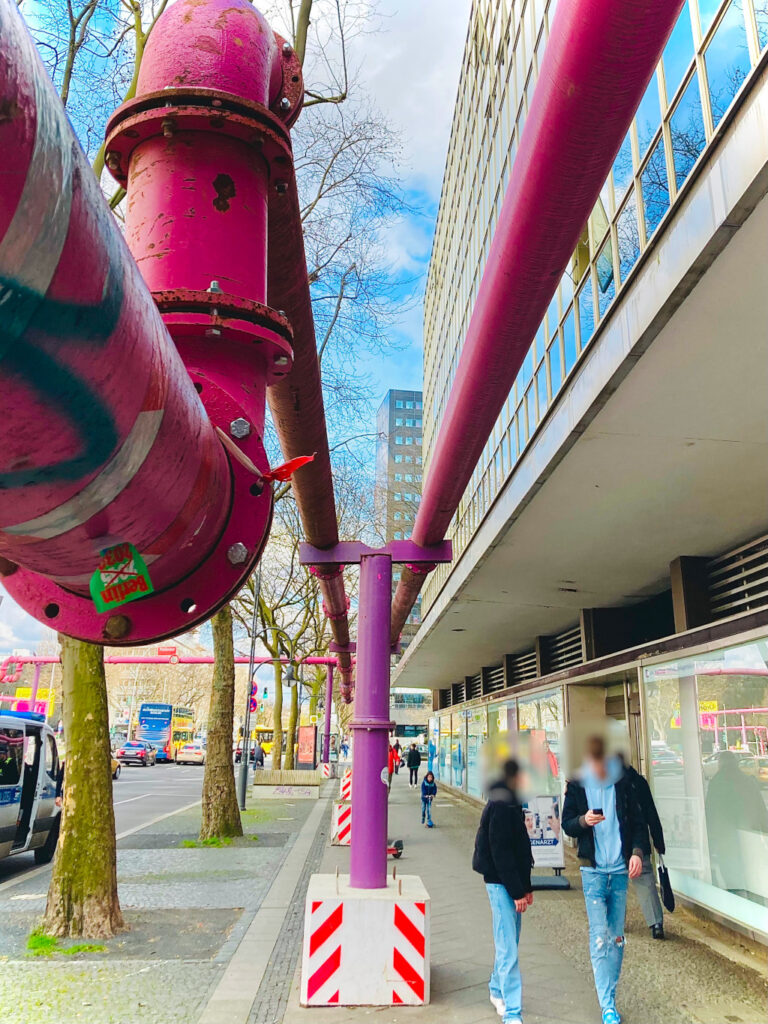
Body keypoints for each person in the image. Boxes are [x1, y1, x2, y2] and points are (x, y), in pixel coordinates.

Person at [563, 736, 647, 1024]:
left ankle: (609, 995)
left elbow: (637, 824)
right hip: (593, 872)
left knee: (617, 938)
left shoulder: (623, 784)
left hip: (620, 872)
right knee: (600, 938)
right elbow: (567, 824)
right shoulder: (577, 785)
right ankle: (607, 1005)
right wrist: (584, 821)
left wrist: (637, 852)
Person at [472, 759, 533, 1024]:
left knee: (509, 941)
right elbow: (503, 853)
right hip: (500, 883)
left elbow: (519, 850)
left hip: (507, 882)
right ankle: (512, 1012)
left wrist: (525, 888)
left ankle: (497, 990)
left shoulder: (508, 803)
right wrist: (518, 890)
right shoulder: (502, 806)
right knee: (508, 945)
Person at [619, 755, 666, 938]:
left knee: (617, 881)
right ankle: (656, 923)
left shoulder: (609, 784)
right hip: (639, 841)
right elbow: (651, 813)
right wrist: (658, 841)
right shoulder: (638, 782)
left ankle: (618, 922)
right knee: (645, 880)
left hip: (618, 843)